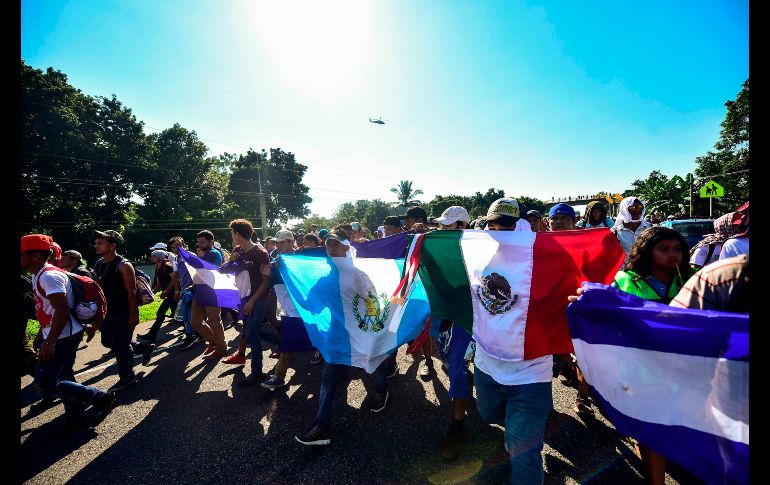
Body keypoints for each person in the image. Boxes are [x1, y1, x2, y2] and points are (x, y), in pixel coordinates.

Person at [472, 198, 555, 484]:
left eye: (505, 225)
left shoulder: (542, 252)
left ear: (519, 224)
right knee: (488, 412)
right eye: (492, 224)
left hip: (530, 369)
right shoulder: (475, 251)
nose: (497, 230)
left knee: (525, 452)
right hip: (487, 362)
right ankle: (514, 429)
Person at [294, 228, 395, 446]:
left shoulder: (358, 274)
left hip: (361, 331)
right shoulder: (326, 278)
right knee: (328, 376)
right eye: (328, 244)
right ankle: (321, 426)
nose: (330, 248)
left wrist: (372, 327)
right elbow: (312, 306)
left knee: (372, 362)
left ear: (346, 247)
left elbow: (373, 301)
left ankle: (381, 389)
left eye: (334, 243)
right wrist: (280, 274)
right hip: (336, 336)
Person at [610, 226, 691, 485]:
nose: (673, 255)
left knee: (679, 424)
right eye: (664, 249)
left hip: (687, 368)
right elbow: (609, 314)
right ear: (647, 251)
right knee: (652, 427)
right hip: (643, 370)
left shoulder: (694, 278)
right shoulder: (625, 281)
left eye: (677, 249)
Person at [22, 234, 117, 434]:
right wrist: (42, 333)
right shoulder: (37, 273)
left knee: (45, 384)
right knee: (65, 375)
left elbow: (62, 310)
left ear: (36, 256)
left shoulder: (49, 276)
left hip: (65, 336)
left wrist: (50, 342)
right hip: (59, 334)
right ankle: (74, 417)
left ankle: (99, 397)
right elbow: (47, 309)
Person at [432, 206, 476, 461]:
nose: (442, 229)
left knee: (457, 367)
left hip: (469, 322)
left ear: (462, 226)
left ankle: (457, 425)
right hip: (446, 319)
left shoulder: (479, 251)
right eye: (442, 225)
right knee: (451, 364)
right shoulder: (438, 248)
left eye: (447, 225)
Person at [92, 230, 155, 390]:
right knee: (107, 341)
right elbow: (99, 287)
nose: (96, 245)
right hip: (108, 310)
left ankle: (127, 376)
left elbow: (131, 291)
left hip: (124, 310)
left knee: (121, 345)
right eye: (96, 242)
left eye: (101, 243)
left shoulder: (124, 265)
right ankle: (143, 347)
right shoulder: (99, 264)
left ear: (112, 246)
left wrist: (134, 314)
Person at [219, 219, 275, 387]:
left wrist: (252, 301)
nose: (231, 236)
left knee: (251, 332)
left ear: (237, 234)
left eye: (231, 233)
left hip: (260, 298)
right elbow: (222, 270)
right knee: (253, 331)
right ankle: (285, 342)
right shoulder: (237, 250)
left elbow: (267, 282)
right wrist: (231, 260)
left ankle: (257, 372)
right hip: (244, 298)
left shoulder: (260, 252)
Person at [188, 230, 227, 360]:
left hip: (211, 292)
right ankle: (214, 342)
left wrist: (187, 257)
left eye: (202, 242)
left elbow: (204, 270)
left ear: (211, 242)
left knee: (214, 320)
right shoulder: (205, 253)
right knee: (195, 321)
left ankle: (220, 347)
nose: (199, 245)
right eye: (198, 242)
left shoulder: (214, 253)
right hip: (199, 291)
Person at [137, 250, 176, 342]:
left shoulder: (167, 266)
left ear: (159, 257)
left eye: (153, 256)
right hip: (169, 294)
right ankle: (193, 331)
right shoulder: (158, 267)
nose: (151, 258)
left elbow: (175, 279)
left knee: (160, 313)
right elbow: (159, 282)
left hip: (173, 294)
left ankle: (151, 335)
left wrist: (167, 291)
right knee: (177, 316)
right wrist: (151, 294)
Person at [611, 197, 652, 262]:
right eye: (632, 207)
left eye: (640, 207)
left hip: (646, 271)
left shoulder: (650, 229)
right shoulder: (614, 232)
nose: (637, 210)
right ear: (624, 209)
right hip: (624, 271)